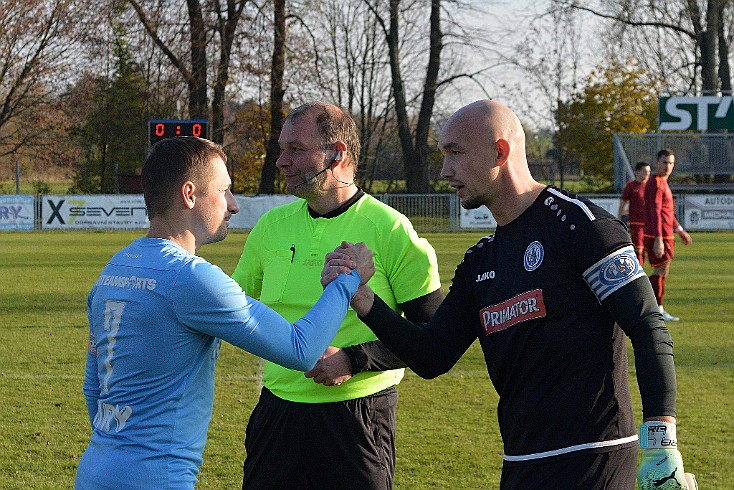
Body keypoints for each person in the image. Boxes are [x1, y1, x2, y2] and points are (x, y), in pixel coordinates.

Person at [324, 100, 696, 489]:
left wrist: (661, 445)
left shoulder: (579, 225)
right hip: (520, 463)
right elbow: (432, 355)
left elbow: (647, 324)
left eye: (455, 153)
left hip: (595, 459)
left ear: (500, 151)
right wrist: (363, 298)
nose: (444, 170)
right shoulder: (480, 261)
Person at [74, 136, 368, 489]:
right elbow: (301, 350)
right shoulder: (190, 277)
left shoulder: (114, 270)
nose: (233, 205)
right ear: (189, 194)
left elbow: (94, 387)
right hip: (157, 479)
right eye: (224, 190)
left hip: (97, 469)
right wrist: (347, 281)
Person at [231, 101, 443, 489]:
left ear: (337, 153)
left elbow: (432, 337)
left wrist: (353, 359)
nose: (281, 161)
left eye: (296, 149)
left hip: (357, 418)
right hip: (276, 414)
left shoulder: (391, 230)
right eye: (282, 149)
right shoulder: (270, 227)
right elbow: (236, 308)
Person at [644, 149, 693, 322]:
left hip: (666, 234)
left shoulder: (663, 183)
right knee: (660, 270)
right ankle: (655, 308)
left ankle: (657, 307)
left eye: (671, 163)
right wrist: (658, 238)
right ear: (657, 162)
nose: (668, 166)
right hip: (659, 235)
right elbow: (655, 211)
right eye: (665, 162)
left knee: (663, 271)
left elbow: (667, 212)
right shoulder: (656, 183)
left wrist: (680, 230)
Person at [618, 161, 651, 264]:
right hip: (636, 222)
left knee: (646, 249)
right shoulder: (631, 185)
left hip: (649, 223)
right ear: (637, 172)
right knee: (638, 249)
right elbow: (623, 202)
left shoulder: (650, 186)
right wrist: (618, 218)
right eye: (645, 171)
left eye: (649, 171)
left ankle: (641, 270)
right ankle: (639, 271)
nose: (647, 174)